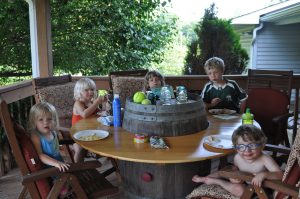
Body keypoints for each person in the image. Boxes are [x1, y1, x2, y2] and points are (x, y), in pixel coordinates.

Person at [192, 125, 283, 197]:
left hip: (260, 189)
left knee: (240, 190)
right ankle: (207, 178)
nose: (247, 151)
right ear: (236, 148)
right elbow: (235, 169)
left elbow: (280, 174)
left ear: (262, 146)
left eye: (252, 146)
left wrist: (263, 175)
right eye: (241, 147)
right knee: (221, 172)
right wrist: (235, 178)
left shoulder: (265, 159)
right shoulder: (237, 157)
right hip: (245, 180)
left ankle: (217, 181)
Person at [29, 102, 71, 197]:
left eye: (49, 119)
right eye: (41, 119)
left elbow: (54, 149)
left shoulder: (52, 132)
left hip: (59, 165)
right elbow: (41, 155)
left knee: (70, 180)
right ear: (34, 121)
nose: (46, 122)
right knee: (64, 188)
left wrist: (62, 154)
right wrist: (56, 163)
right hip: (49, 169)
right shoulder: (36, 136)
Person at [72, 77, 108, 162]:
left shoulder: (91, 102)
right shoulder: (78, 103)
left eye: (92, 89)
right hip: (78, 133)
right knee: (80, 149)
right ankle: (78, 167)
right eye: (86, 90)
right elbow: (84, 114)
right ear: (79, 92)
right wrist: (96, 102)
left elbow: (100, 113)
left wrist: (106, 105)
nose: (91, 92)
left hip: (91, 132)